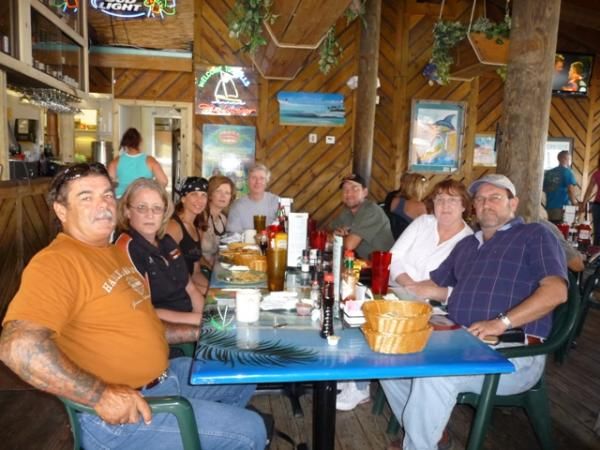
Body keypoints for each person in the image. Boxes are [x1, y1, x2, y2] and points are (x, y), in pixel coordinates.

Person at [0, 162, 266, 449]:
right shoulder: (56, 262)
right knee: (250, 429)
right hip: (125, 415)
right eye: (86, 197)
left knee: (242, 371)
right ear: (61, 211)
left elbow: (146, 325)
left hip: (166, 375)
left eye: (106, 195)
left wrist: (200, 332)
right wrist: (100, 395)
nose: (102, 205)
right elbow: (18, 345)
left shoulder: (110, 253)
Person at [382, 174, 567, 450]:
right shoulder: (468, 244)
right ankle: (431, 437)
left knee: (435, 373)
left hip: (511, 352)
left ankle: (419, 444)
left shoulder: (534, 234)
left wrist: (501, 322)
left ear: (513, 203)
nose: (486, 203)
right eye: (480, 199)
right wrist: (395, 299)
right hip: (460, 340)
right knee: (389, 358)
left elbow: (556, 291)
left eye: (495, 197)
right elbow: (434, 286)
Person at [115, 178, 205, 326]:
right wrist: (199, 321)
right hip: (166, 330)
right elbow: (141, 310)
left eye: (157, 208)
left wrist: (206, 318)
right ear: (127, 211)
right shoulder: (126, 249)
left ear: (164, 212)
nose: (150, 215)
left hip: (192, 318)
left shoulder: (167, 241)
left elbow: (191, 288)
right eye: (142, 207)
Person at [389, 179, 473, 291]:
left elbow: (455, 282)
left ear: (464, 206)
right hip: (396, 290)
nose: (445, 205)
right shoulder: (423, 222)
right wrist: (409, 286)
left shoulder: (469, 240)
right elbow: (392, 257)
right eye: (439, 200)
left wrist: (416, 291)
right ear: (433, 204)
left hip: (433, 302)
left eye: (452, 200)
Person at [330, 173, 395, 260]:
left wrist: (339, 237)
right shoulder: (347, 211)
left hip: (379, 267)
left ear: (365, 192)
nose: (348, 193)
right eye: (345, 189)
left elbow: (350, 245)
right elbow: (329, 232)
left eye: (355, 189)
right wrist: (337, 235)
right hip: (357, 263)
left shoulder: (371, 210)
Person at [166, 177, 210, 293]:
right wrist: (206, 291)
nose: (200, 200)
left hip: (190, 286)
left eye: (203, 195)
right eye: (194, 194)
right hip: (174, 290)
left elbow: (196, 273)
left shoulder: (197, 229)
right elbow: (169, 271)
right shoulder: (174, 227)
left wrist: (212, 289)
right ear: (183, 199)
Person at [108, 128, 168, 198]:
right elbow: (164, 181)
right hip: (142, 198)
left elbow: (109, 184)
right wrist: (153, 191)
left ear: (125, 143)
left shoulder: (116, 161)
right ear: (140, 141)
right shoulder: (150, 161)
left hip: (121, 199)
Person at [226, 163, 279, 233]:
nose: (258, 182)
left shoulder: (276, 202)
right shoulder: (237, 206)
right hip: (245, 243)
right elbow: (233, 235)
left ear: (266, 182)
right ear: (247, 181)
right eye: (254, 178)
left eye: (262, 178)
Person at [201, 175, 236, 268]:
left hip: (217, 267)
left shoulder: (223, 219)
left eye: (227, 193)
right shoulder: (201, 217)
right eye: (218, 191)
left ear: (230, 198)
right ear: (210, 194)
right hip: (201, 269)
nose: (223, 196)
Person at [383, 173, 429, 239]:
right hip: (411, 240)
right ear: (418, 189)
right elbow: (426, 230)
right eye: (424, 188)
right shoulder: (420, 206)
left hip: (394, 239)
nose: (424, 191)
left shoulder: (395, 201)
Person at [543, 150, 579, 224]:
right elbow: (570, 189)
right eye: (569, 159)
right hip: (562, 208)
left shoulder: (548, 173)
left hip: (549, 207)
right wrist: (575, 204)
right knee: (562, 231)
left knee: (552, 230)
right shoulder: (567, 172)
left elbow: (544, 189)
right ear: (566, 159)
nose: (569, 161)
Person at [580, 169, 600, 245]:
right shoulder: (597, 173)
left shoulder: (597, 173)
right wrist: (583, 204)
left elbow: (589, 190)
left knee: (598, 232)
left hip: (597, 206)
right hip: (597, 206)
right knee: (598, 232)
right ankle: (596, 254)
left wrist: (583, 204)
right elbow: (589, 190)